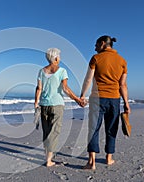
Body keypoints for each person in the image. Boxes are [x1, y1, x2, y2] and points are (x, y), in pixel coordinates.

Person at [80, 36, 131, 170]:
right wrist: (126, 103)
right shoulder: (122, 61)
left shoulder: (96, 58)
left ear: (103, 44)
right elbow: (123, 85)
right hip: (114, 99)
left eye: (96, 45)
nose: (95, 47)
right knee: (111, 129)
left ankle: (92, 162)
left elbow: (88, 79)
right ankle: (109, 158)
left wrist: (82, 95)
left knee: (93, 129)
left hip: (97, 98)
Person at [35, 48, 84, 167]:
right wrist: (77, 99)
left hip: (43, 104)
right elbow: (65, 88)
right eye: (59, 56)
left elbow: (39, 88)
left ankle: (48, 157)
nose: (60, 58)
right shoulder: (62, 70)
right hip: (57, 105)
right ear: (56, 58)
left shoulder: (41, 71)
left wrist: (36, 103)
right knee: (54, 132)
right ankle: (49, 160)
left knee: (47, 132)